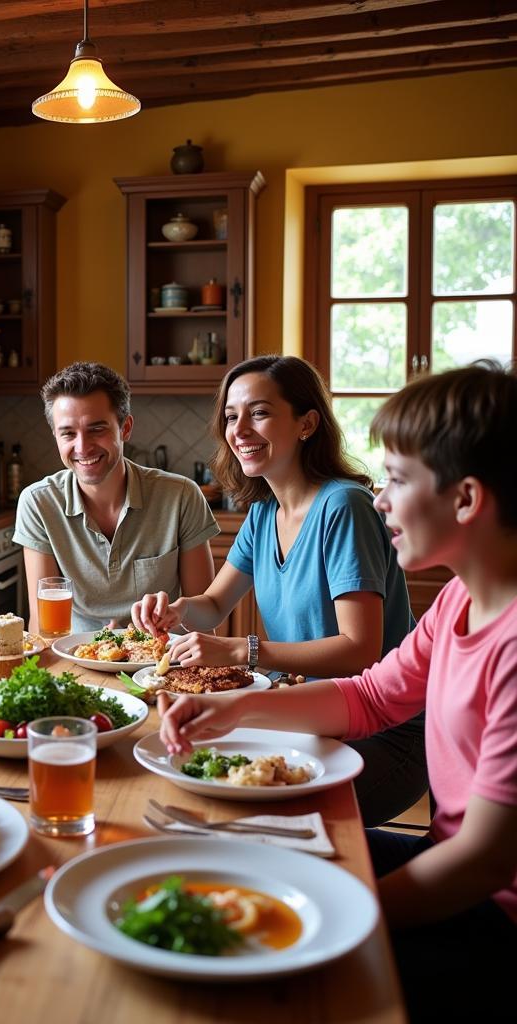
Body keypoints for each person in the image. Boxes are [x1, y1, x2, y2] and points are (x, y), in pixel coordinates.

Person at [156, 362, 517, 1018]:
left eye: (399, 480)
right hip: (447, 864)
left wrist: (342, 916)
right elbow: (370, 696)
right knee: (238, 851)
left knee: (264, 973)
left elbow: (483, 864)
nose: (379, 499)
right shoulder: (460, 602)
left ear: (465, 500)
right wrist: (231, 706)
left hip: (495, 924)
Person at [133, 355, 423, 827]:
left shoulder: (344, 508)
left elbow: (361, 651)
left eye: (260, 413)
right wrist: (176, 610)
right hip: (312, 717)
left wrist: (243, 651)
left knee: (248, 815)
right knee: (198, 783)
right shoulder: (264, 513)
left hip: (387, 735)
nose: (240, 429)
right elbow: (212, 604)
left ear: (307, 423)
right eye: (231, 416)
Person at [13, 361, 218, 634]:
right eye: (68, 433)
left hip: (163, 665)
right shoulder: (38, 503)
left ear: (125, 428)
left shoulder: (181, 496)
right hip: (77, 663)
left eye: (97, 429)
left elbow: (204, 620)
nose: (82, 447)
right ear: (55, 436)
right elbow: (43, 627)